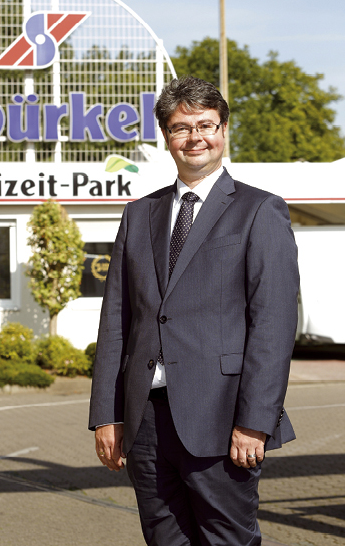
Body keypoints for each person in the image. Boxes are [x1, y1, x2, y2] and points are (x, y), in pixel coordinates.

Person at [88, 76, 299, 546]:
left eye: (206, 125)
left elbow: (273, 324)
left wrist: (255, 422)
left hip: (221, 419)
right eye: (182, 128)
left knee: (226, 540)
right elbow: (117, 320)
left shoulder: (260, 211)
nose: (195, 137)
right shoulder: (138, 214)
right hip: (145, 422)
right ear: (167, 137)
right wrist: (106, 414)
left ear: (223, 130)